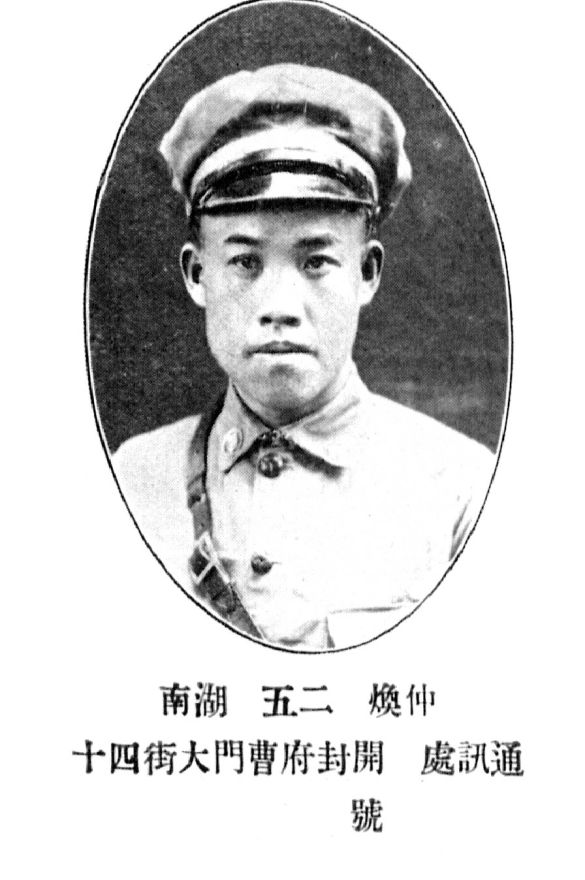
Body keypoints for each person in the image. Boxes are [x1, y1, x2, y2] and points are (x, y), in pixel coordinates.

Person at [113, 63, 494, 650]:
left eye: (316, 262)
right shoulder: (131, 481)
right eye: (245, 262)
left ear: (367, 272)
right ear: (196, 274)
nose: (280, 307)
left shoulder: (463, 490)